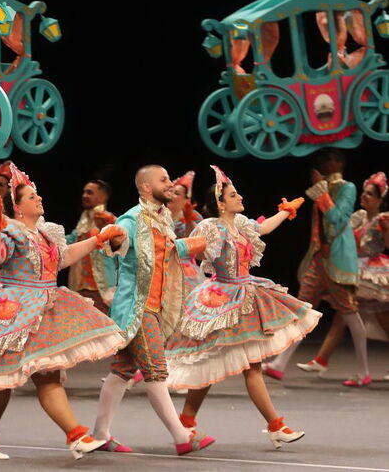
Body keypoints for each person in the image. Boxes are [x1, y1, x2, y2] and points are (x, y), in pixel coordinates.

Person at [0, 162, 126, 461]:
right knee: (12, 377)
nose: (39, 199)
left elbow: (64, 258)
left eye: (37, 195)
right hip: (15, 311)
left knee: (26, 377)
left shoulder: (45, 233)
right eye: (32, 196)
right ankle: (75, 435)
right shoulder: (9, 229)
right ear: (18, 206)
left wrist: (97, 240)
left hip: (43, 305)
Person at [165, 166, 318, 448]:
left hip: (246, 294)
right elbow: (192, 247)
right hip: (222, 299)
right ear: (221, 203)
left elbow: (265, 227)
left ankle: (188, 422)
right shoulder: (212, 227)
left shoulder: (242, 224)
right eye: (234, 195)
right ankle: (276, 425)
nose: (240, 197)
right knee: (229, 364)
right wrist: (171, 244)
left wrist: (286, 210)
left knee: (234, 365)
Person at [91, 165, 216, 455]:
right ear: (146, 188)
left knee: (122, 370)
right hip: (138, 308)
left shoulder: (161, 219)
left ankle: (99, 433)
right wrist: (116, 236)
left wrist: (202, 242)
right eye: (163, 180)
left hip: (156, 306)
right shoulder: (133, 219)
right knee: (156, 372)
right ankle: (182, 436)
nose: (169, 183)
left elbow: (170, 250)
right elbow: (116, 241)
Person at [263, 149, 371, 385]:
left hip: (337, 260)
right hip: (318, 258)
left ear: (340, 162)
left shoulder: (347, 188)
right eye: (323, 160)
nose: (327, 163)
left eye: (331, 159)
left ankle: (363, 372)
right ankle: (279, 363)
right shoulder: (323, 189)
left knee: (351, 315)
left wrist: (321, 191)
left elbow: (336, 218)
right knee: (302, 309)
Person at [294, 171, 389, 380]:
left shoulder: (383, 219)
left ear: (380, 200)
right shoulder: (359, 217)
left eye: (370, 195)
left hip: (373, 272)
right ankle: (322, 360)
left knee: (382, 320)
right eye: (363, 193)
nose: (364, 197)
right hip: (354, 268)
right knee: (343, 317)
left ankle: (332, 363)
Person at [66, 179, 118, 312]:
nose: (84, 196)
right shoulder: (81, 225)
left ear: (102, 197)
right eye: (84, 192)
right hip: (78, 289)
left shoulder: (112, 222)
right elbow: (66, 243)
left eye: (89, 193)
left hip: (102, 291)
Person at [168, 170, 205, 290]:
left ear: (186, 199)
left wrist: (189, 220)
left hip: (185, 269)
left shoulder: (194, 216)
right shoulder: (157, 214)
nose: (171, 195)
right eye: (170, 192)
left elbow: (197, 246)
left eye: (177, 193)